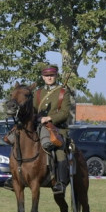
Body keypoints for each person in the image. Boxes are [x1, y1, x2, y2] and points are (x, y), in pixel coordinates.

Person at [34, 64, 73, 193]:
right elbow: (34, 110)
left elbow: (64, 113)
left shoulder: (63, 92)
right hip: (39, 128)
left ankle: (61, 183)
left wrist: (49, 118)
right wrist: (37, 118)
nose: (49, 78)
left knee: (59, 151)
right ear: (42, 77)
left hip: (57, 129)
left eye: (51, 75)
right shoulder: (38, 93)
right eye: (46, 75)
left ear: (56, 76)